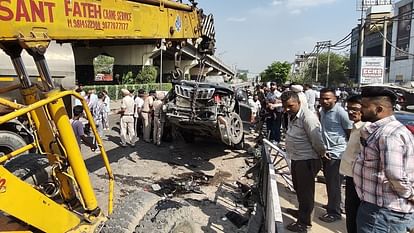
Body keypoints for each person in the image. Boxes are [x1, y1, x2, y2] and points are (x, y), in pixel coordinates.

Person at [353, 86, 414, 233]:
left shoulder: (388, 134)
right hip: (376, 209)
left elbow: (394, 174)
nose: (360, 110)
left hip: (383, 214)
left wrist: (410, 195)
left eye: (365, 106)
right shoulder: (378, 131)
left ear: (379, 109)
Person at [281, 91, 326, 232]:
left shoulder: (308, 117)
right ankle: (302, 213)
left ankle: (304, 223)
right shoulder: (292, 116)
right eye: (285, 106)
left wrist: (322, 154)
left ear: (299, 103)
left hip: (307, 160)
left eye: (290, 106)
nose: (287, 109)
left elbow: (317, 140)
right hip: (297, 158)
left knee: (306, 192)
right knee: (299, 189)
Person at [318, 88, 353, 223]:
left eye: (327, 98)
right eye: (322, 98)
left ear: (335, 99)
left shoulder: (340, 113)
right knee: (330, 182)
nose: (324, 101)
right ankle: (333, 205)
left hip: (337, 153)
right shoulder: (323, 111)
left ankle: (334, 212)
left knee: (334, 184)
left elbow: (349, 132)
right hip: (327, 153)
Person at [339, 95, 368, 233]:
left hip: (359, 180)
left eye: (355, 109)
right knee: (351, 214)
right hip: (351, 176)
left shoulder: (366, 129)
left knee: (355, 218)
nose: (351, 112)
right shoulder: (356, 127)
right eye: (348, 109)